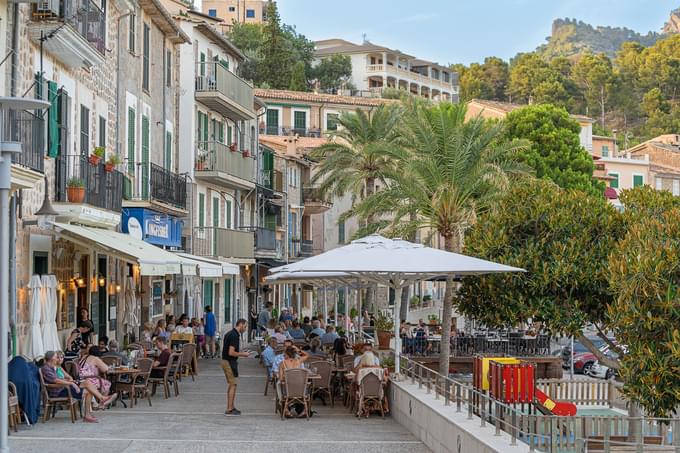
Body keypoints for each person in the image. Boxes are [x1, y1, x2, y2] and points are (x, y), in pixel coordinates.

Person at [42, 351, 116, 423]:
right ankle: (90, 413)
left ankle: (101, 398)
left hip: (64, 387)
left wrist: (70, 382)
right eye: (56, 357)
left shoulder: (53, 367)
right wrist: (71, 383)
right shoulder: (46, 368)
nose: (58, 358)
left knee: (87, 382)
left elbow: (63, 378)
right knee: (89, 392)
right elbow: (56, 380)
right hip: (60, 391)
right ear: (52, 358)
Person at [222, 319, 250, 416]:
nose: (245, 329)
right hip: (229, 361)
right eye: (245, 326)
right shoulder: (234, 335)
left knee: (232, 384)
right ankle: (229, 409)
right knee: (233, 384)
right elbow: (231, 352)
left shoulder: (229, 333)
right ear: (241, 325)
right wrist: (243, 354)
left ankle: (231, 406)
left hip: (227, 361)